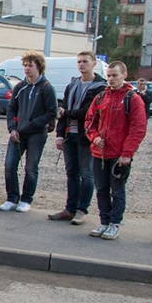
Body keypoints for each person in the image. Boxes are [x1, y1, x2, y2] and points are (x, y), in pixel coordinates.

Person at [84, 61, 148, 240]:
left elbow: (138, 128)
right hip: (99, 153)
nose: (111, 79)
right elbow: (89, 121)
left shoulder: (132, 99)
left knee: (117, 191)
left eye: (114, 75)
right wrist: (94, 137)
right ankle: (104, 221)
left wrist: (127, 153)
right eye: (109, 76)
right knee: (102, 189)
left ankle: (114, 223)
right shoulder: (100, 97)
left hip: (119, 155)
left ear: (124, 75)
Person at [49, 51, 107, 224]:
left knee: (87, 174)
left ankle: (82, 210)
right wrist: (59, 134)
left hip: (86, 136)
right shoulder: (73, 84)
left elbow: (88, 113)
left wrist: (67, 113)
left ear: (94, 63)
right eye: (79, 62)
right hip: (69, 134)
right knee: (71, 173)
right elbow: (62, 112)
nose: (81, 64)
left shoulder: (100, 87)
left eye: (85, 61)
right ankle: (70, 208)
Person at [0, 51, 58, 213]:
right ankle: (12, 198)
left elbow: (51, 112)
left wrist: (33, 125)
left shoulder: (47, 88)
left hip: (36, 134)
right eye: (25, 65)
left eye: (30, 65)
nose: (26, 69)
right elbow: (11, 109)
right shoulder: (19, 86)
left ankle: (26, 199)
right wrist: (12, 128)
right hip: (18, 133)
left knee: (31, 167)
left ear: (38, 67)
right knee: (10, 165)